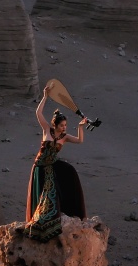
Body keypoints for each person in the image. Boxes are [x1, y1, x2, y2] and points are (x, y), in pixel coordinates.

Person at [24, 83, 91, 242]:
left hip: (51, 167)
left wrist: (81, 127)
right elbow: (38, 112)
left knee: (69, 173)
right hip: (40, 167)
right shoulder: (47, 130)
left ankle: (64, 214)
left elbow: (80, 141)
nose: (65, 127)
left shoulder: (65, 137)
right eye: (62, 125)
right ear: (55, 125)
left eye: (66, 125)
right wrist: (45, 96)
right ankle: (37, 222)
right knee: (40, 195)